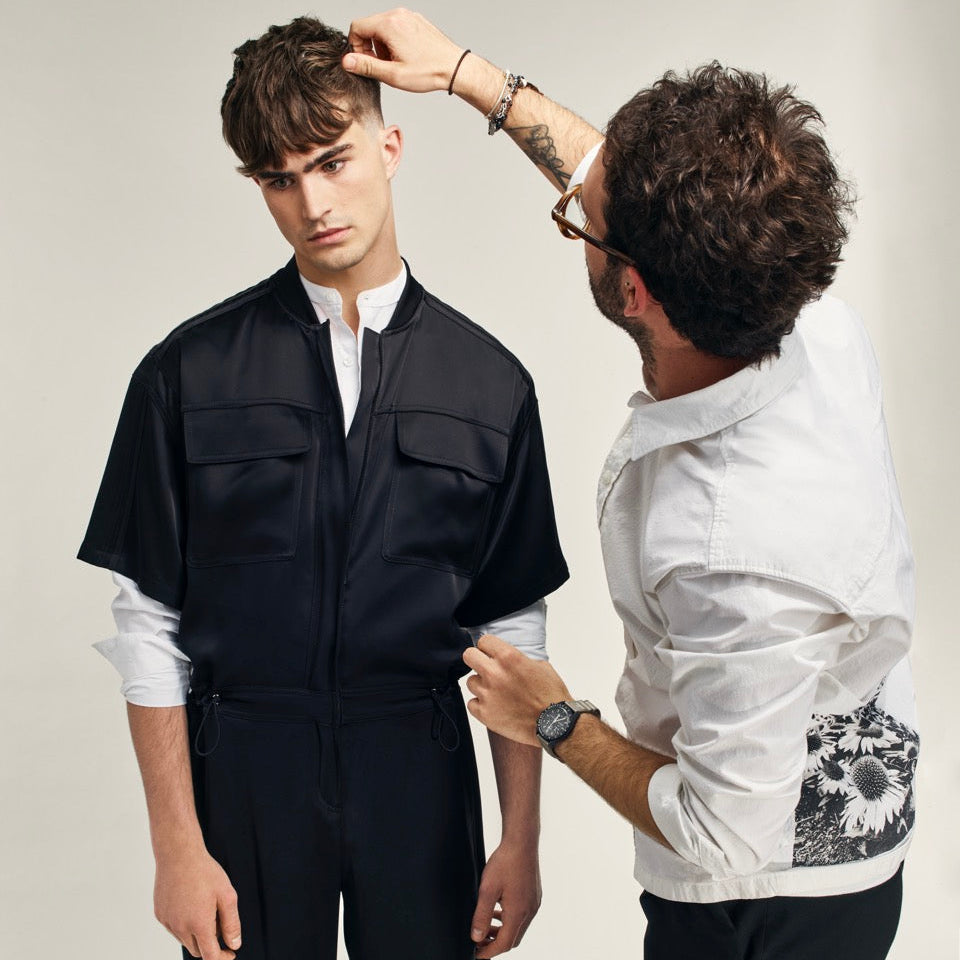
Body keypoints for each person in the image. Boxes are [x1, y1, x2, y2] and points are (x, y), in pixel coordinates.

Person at [341, 11, 918, 959]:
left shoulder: (729, 544)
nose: (576, 205)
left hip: (762, 905)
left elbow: (725, 833)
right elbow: (624, 186)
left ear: (636, 290)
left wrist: (553, 717)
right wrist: (466, 75)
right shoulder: (808, 315)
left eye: (582, 222)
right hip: (846, 822)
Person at [77, 16, 569, 960]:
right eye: (279, 179)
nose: (313, 203)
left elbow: (511, 629)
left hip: (418, 769)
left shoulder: (490, 384)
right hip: (246, 772)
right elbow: (148, 619)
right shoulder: (185, 373)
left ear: (390, 147)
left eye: (333, 161)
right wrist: (177, 847)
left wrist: (521, 839)